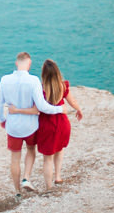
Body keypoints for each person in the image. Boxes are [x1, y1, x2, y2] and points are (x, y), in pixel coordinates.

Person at [0, 52, 66, 198]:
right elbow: (42, 106)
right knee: (31, 150)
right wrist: (60, 109)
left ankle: (17, 192)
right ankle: (26, 178)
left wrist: (3, 120)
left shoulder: (4, 80)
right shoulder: (33, 81)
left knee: (15, 158)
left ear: (16, 63)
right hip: (30, 127)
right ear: (29, 64)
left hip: (13, 126)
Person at [9, 59, 83, 192]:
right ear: (57, 72)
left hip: (46, 126)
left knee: (47, 158)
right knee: (60, 149)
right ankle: (58, 176)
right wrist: (79, 109)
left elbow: (36, 108)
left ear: (44, 74)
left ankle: (49, 187)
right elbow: (72, 101)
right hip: (62, 123)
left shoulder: (40, 89)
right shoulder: (63, 86)